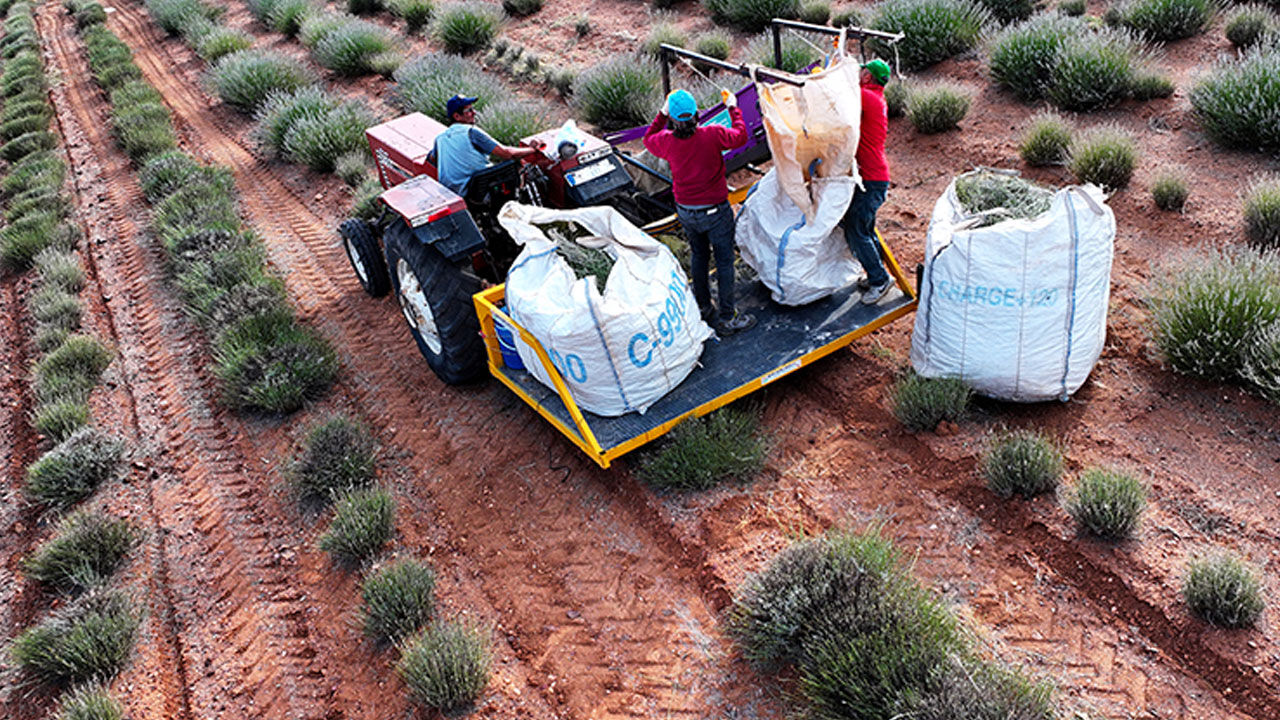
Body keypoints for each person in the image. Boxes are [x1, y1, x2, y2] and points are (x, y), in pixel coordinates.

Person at [643, 88, 755, 335]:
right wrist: (733, 107)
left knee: (699, 256)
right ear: (696, 115)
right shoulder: (712, 134)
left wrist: (662, 114)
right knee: (725, 261)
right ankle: (727, 318)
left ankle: (703, 307)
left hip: (686, 211)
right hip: (715, 211)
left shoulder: (666, 142)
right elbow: (741, 136)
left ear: (672, 118)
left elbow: (648, 137)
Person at [846, 59, 896, 305]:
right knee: (864, 229)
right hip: (875, 175)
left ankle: (879, 280)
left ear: (868, 77)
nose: (859, 73)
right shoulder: (875, 98)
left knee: (855, 230)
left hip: (871, 178)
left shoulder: (865, 96)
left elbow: (838, 95)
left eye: (862, 70)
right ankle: (877, 273)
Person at [432, 94, 540, 197]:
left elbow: (432, 159)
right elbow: (506, 154)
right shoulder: (471, 132)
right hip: (475, 191)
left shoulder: (440, 139)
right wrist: (531, 149)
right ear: (457, 116)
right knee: (512, 165)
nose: (474, 112)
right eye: (469, 111)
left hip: (451, 193)